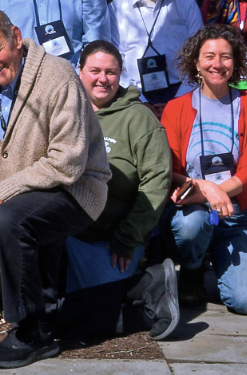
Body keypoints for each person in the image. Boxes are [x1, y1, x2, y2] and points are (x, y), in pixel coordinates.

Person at [0, 8, 111, 367]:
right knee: (9, 215)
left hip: (79, 189)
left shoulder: (57, 77)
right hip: (27, 192)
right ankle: (45, 325)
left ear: (16, 38)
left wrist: (5, 191)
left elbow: (68, 162)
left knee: (11, 221)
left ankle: (28, 331)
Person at [60, 41, 179, 342]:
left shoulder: (139, 119)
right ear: (79, 71)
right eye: (95, 70)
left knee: (90, 323)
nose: (103, 79)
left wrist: (128, 238)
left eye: (111, 72)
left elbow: (156, 182)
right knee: (61, 319)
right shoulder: (64, 110)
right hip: (71, 234)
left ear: (121, 74)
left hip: (114, 240)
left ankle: (152, 283)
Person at [159, 23, 247, 315]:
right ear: (196, 62)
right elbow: (169, 169)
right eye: (209, 56)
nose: (217, 64)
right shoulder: (176, 108)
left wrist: (218, 192)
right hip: (191, 208)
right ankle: (192, 269)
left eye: (225, 56)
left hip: (237, 215)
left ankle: (222, 268)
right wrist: (207, 189)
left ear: (236, 62)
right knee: (192, 225)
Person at [107, 0, 203, 110]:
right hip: (134, 96)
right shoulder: (116, 10)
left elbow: (199, 56)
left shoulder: (187, 5)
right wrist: (140, 102)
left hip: (181, 93)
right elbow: (115, 62)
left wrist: (178, 102)